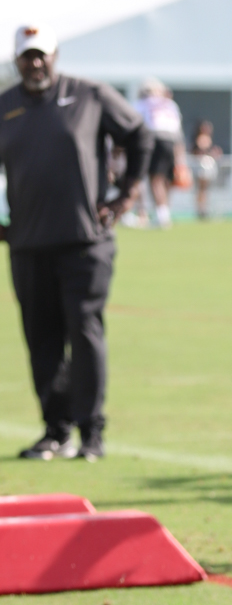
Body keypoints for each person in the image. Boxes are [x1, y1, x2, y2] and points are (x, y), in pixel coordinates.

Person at [0, 24, 152, 461]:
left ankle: (91, 433)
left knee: (84, 333)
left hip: (85, 241)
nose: (35, 63)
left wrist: (124, 194)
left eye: (41, 54)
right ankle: (54, 431)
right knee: (40, 338)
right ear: (16, 61)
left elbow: (139, 135)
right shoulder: (5, 106)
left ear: (55, 55)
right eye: (27, 56)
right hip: (27, 245)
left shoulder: (89, 95)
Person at [134, 78, 187, 228]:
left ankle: (161, 214)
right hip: (172, 141)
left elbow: (136, 125)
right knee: (166, 180)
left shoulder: (141, 104)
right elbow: (178, 131)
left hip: (154, 139)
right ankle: (164, 211)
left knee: (155, 179)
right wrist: (180, 156)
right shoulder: (170, 104)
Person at [190, 121, 222, 220]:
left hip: (207, 166)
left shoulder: (207, 139)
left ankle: (203, 209)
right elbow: (200, 151)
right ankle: (201, 210)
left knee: (204, 190)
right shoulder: (201, 139)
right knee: (201, 190)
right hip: (201, 167)